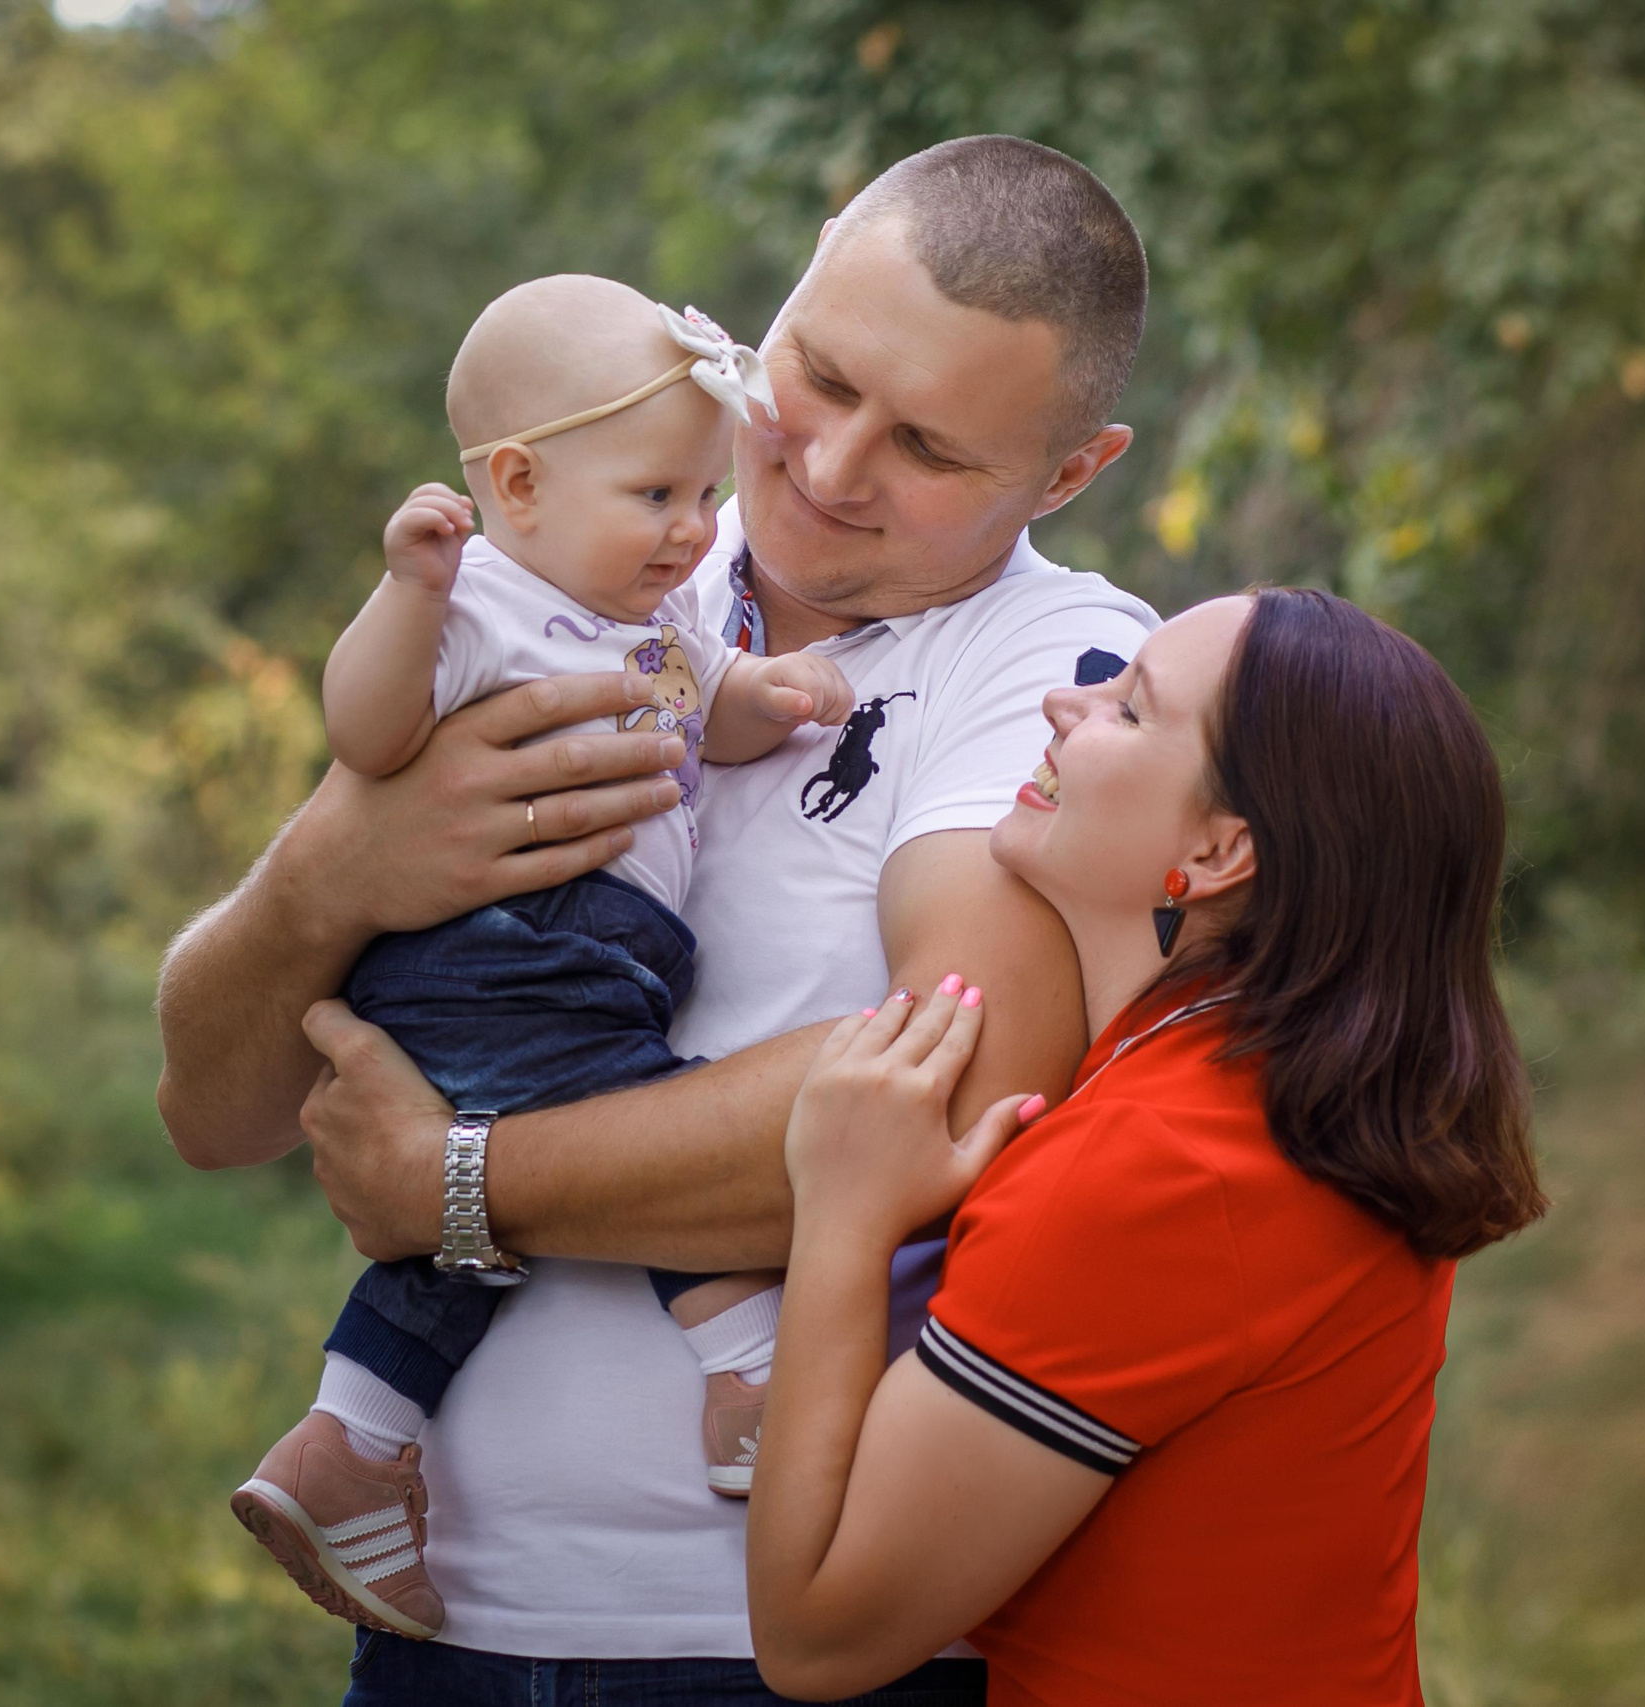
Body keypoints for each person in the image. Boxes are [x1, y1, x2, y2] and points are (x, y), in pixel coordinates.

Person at [157, 136, 1154, 1704]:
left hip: (786, 1647)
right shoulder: (565, 577)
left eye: (931, 449)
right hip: (450, 1628)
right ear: (806, 269)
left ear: (1073, 468)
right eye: (818, 377)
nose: (828, 470)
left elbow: (954, 1086)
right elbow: (217, 1107)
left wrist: (456, 1180)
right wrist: (331, 874)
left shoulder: (1071, 671)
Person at [742, 590, 1551, 1706]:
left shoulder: (1161, 1168)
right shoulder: (1268, 1103)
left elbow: (816, 1632)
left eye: (1127, 708)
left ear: (1221, 851)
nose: (1062, 703)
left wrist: (839, 1211)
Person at [230, 277, 857, 1641]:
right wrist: (408, 590)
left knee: (479, 1224)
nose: (696, 529)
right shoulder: (484, 606)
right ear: (516, 483)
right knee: (637, 1112)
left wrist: (771, 697)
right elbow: (368, 726)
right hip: (498, 951)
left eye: (705, 495)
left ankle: (353, 1433)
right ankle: (748, 1365)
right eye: (657, 498)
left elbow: (707, 717)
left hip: (597, 950)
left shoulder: (665, 612)